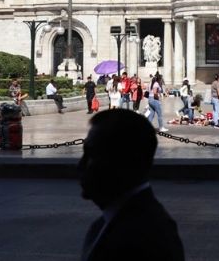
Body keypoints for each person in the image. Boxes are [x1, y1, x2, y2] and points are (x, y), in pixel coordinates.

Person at [78, 110, 184, 261]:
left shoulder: (142, 236)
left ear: (125, 161)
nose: (80, 165)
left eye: (92, 154)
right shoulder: (119, 222)